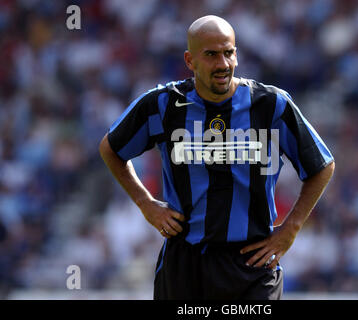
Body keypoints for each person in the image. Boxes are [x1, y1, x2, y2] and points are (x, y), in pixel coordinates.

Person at [99, 15, 335, 300]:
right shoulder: (163, 104)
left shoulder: (271, 104)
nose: (223, 64)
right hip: (186, 263)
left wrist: (291, 228)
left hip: (253, 263)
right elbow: (111, 149)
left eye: (228, 52)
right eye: (211, 55)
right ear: (190, 60)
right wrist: (145, 203)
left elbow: (321, 165)